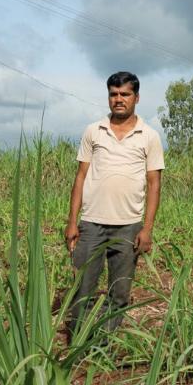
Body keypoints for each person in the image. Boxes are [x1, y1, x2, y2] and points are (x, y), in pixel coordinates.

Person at [64, 71, 164, 338]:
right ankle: (79, 341)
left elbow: (154, 183)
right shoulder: (93, 131)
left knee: (119, 292)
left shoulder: (149, 136)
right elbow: (81, 176)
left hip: (128, 227)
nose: (119, 99)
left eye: (125, 94)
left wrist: (147, 229)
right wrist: (72, 222)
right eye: (114, 94)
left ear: (136, 98)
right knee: (82, 289)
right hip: (91, 224)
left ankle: (103, 344)